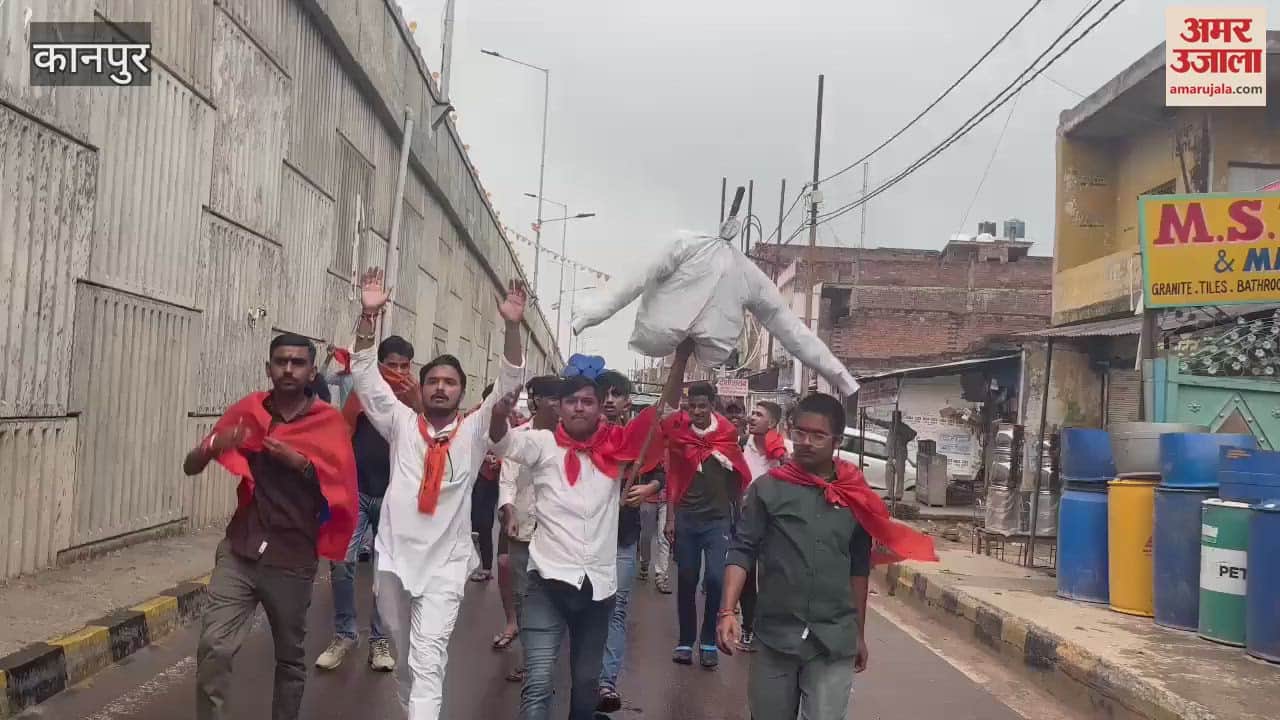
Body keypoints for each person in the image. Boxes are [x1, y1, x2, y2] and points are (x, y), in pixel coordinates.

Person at [349, 268, 527, 720]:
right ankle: (415, 706)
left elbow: (508, 384)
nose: (441, 387)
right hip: (392, 559)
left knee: (427, 661)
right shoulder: (399, 423)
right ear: (421, 389)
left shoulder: (474, 431)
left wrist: (511, 326)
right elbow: (364, 374)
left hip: (445, 566)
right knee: (406, 658)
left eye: (450, 382)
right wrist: (368, 317)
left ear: (462, 392)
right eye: (433, 381)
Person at [717, 393, 938, 720]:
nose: (806, 442)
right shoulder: (766, 489)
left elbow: (858, 567)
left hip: (833, 638)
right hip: (776, 634)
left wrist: (858, 635)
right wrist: (727, 611)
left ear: (837, 440)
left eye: (818, 435)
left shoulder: (855, 495)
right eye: (800, 433)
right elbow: (742, 549)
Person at [184, 333, 358, 720]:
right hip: (241, 549)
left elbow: (342, 491)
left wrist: (304, 465)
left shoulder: (328, 423)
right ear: (269, 368)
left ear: (312, 371)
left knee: (290, 657)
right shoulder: (249, 412)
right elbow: (190, 465)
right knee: (215, 647)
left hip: (292, 559)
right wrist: (213, 446)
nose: (289, 369)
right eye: (281, 361)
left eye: (298, 363)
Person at [490, 376, 651, 720]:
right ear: (559, 408)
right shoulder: (542, 444)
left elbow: (657, 442)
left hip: (598, 591)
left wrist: (651, 486)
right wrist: (497, 414)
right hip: (546, 585)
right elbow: (502, 444)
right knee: (538, 682)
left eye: (587, 401)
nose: (579, 406)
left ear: (598, 409)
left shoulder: (618, 447)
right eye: (572, 400)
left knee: (586, 685)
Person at [316, 335, 417, 673]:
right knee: (341, 563)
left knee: (385, 573)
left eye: (405, 366)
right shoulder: (363, 395)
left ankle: (379, 640)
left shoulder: (416, 403)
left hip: (394, 497)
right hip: (356, 492)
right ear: (380, 365)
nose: (399, 372)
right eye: (392, 365)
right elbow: (341, 438)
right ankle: (344, 633)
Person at [663, 381, 752, 669]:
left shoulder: (727, 435)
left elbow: (737, 477)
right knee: (687, 580)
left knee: (715, 579)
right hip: (687, 518)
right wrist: (671, 518)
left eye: (703, 406)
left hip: (718, 521)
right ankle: (686, 640)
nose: (697, 412)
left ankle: (708, 640)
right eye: (692, 406)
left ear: (712, 405)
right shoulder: (680, 435)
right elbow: (674, 478)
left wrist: (739, 519)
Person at [593, 371, 665, 713]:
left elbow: (660, 471)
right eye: (603, 394)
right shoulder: (578, 434)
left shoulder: (641, 437)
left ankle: (606, 682)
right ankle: (582, 675)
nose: (609, 400)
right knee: (584, 610)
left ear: (627, 401)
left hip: (623, 538)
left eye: (616, 394)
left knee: (616, 609)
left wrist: (650, 487)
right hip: (583, 542)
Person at [493, 375, 562, 682]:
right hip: (521, 528)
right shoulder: (518, 436)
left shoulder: (570, 441)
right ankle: (530, 658)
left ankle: (547, 654)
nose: (552, 406)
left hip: (558, 533)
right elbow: (507, 479)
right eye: (536, 397)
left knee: (554, 593)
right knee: (523, 595)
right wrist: (507, 510)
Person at [735, 400, 787, 652]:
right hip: (745, 521)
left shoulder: (783, 452)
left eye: (759, 414)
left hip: (775, 524)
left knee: (770, 578)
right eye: (752, 413)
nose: (752, 417)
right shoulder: (741, 445)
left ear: (773, 423)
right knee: (746, 575)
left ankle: (768, 627)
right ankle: (748, 627)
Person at [470, 383, 501, 583]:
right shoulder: (474, 417)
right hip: (473, 475)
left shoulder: (509, 420)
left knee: (485, 523)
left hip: (492, 480)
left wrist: (500, 460)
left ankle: (487, 567)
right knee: (467, 520)